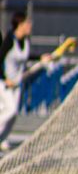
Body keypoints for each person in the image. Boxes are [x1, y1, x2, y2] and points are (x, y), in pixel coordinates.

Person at [0, 11, 50, 151]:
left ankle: (2, 139)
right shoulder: (9, 40)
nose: (30, 25)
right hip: (4, 83)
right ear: (20, 24)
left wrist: (41, 57)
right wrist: (5, 79)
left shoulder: (25, 41)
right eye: (27, 23)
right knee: (10, 110)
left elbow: (26, 57)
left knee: (13, 115)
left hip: (17, 83)